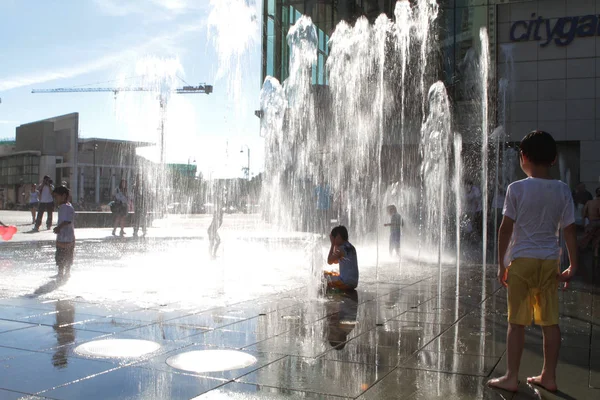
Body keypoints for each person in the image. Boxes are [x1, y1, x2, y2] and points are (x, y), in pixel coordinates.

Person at [487, 131, 578, 393]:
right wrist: (573, 265)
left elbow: (505, 229)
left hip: (522, 263)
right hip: (549, 263)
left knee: (516, 323)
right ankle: (549, 376)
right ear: (553, 159)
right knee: (550, 322)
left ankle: (511, 377)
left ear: (523, 157)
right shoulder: (562, 189)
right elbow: (569, 230)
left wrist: (502, 264)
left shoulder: (516, 188)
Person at [324, 225, 359, 290]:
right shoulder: (351, 247)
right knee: (333, 272)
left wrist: (332, 244)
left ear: (338, 236)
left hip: (345, 283)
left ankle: (330, 293)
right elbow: (335, 261)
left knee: (324, 276)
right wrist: (335, 245)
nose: (333, 240)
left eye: (334, 238)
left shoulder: (341, 249)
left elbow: (329, 261)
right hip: (354, 283)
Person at [52, 186, 75, 281]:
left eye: (56, 196)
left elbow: (67, 221)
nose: (55, 199)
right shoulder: (65, 206)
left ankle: (63, 273)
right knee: (65, 255)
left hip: (66, 237)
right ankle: (64, 273)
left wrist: (58, 228)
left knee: (63, 255)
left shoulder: (66, 207)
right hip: (66, 236)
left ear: (63, 196)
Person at [579, 187, 600, 257]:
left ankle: (579, 253)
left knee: (585, 239)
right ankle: (596, 253)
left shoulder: (589, 202)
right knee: (597, 239)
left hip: (592, 222)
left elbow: (584, 213)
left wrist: (584, 220)